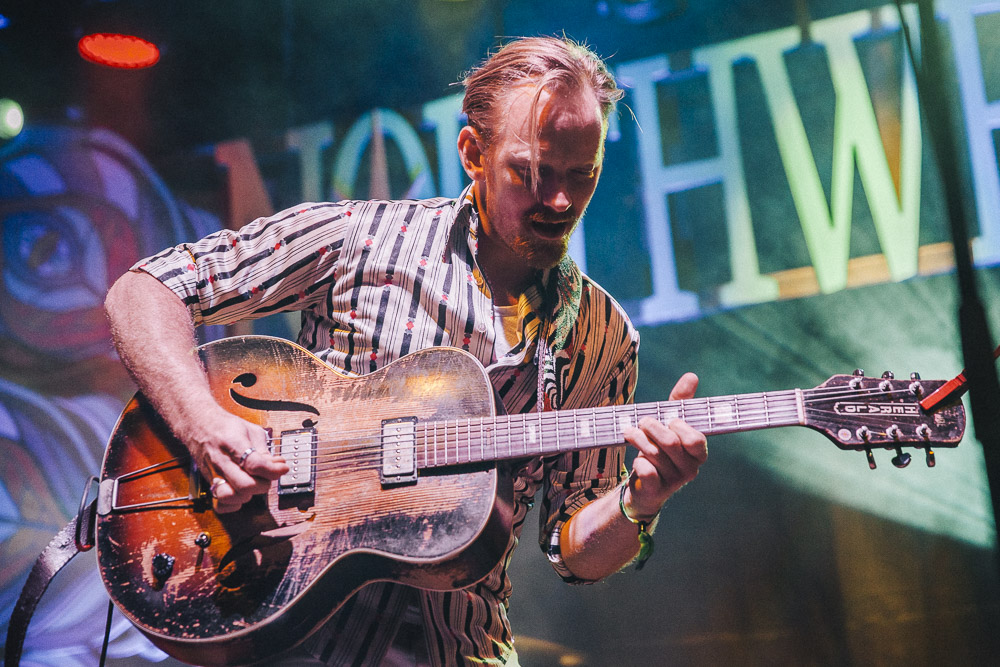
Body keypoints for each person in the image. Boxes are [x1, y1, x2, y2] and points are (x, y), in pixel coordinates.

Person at [104, 36, 708, 666]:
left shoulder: (604, 336)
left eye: (582, 174)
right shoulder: (359, 238)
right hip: (284, 627)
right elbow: (144, 290)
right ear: (473, 154)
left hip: (459, 648)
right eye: (532, 172)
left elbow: (574, 549)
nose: (560, 200)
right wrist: (203, 425)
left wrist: (639, 502)